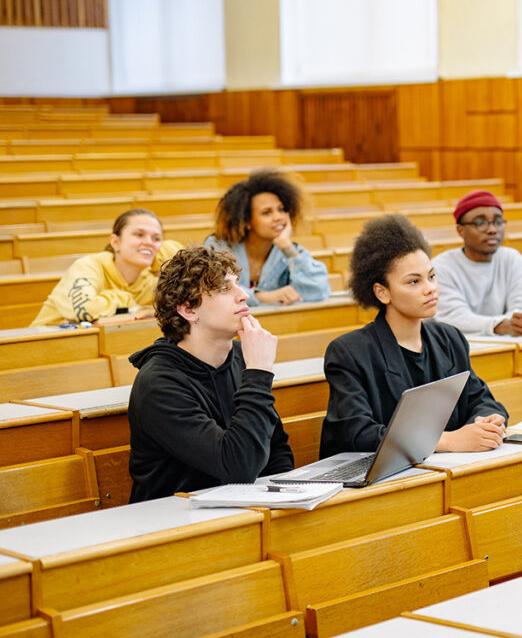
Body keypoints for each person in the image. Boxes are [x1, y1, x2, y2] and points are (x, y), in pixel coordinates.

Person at [320, 213, 508, 457]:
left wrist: (486, 421)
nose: (430, 288)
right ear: (382, 292)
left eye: (431, 276)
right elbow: (356, 432)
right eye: (413, 282)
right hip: (380, 481)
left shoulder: (449, 338)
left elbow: (481, 399)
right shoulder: (349, 352)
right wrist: (446, 441)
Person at [127, 245, 294, 502]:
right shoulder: (158, 384)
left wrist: (287, 500)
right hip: (174, 523)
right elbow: (238, 467)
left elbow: (276, 449)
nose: (243, 295)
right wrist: (259, 373)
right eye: (225, 289)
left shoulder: (242, 354)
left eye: (238, 284)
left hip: (242, 507)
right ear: (189, 310)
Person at [31, 208, 183, 326]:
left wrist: (168, 257)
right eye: (139, 234)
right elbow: (85, 310)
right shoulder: (88, 266)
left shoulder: (150, 283)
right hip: (40, 345)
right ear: (115, 242)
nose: (149, 242)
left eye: (156, 238)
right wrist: (123, 299)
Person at [205, 169, 330, 307]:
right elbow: (212, 290)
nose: (278, 217)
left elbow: (319, 290)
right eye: (267, 213)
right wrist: (262, 297)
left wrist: (287, 246)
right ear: (246, 221)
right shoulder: (217, 247)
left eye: (281, 210)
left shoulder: (288, 250)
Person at [431, 189, 522, 337]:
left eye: (498, 221)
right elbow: (453, 317)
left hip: (507, 344)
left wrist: (514, 324)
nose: (492, 230)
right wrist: (497, 325)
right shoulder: (441, 267)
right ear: (460, 230)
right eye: (480, 223)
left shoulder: (512, 259)